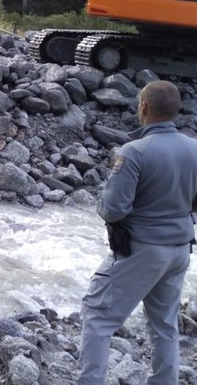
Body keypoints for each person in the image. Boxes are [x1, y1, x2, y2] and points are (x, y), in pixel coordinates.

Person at [78, 80, 197, 384]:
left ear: (143, 107)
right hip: (180, 248)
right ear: (176, 110)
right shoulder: (194, 148)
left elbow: (114, 209)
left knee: (97, 316)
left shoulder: (134, 151)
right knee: (165, 324)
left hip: (142, 249)